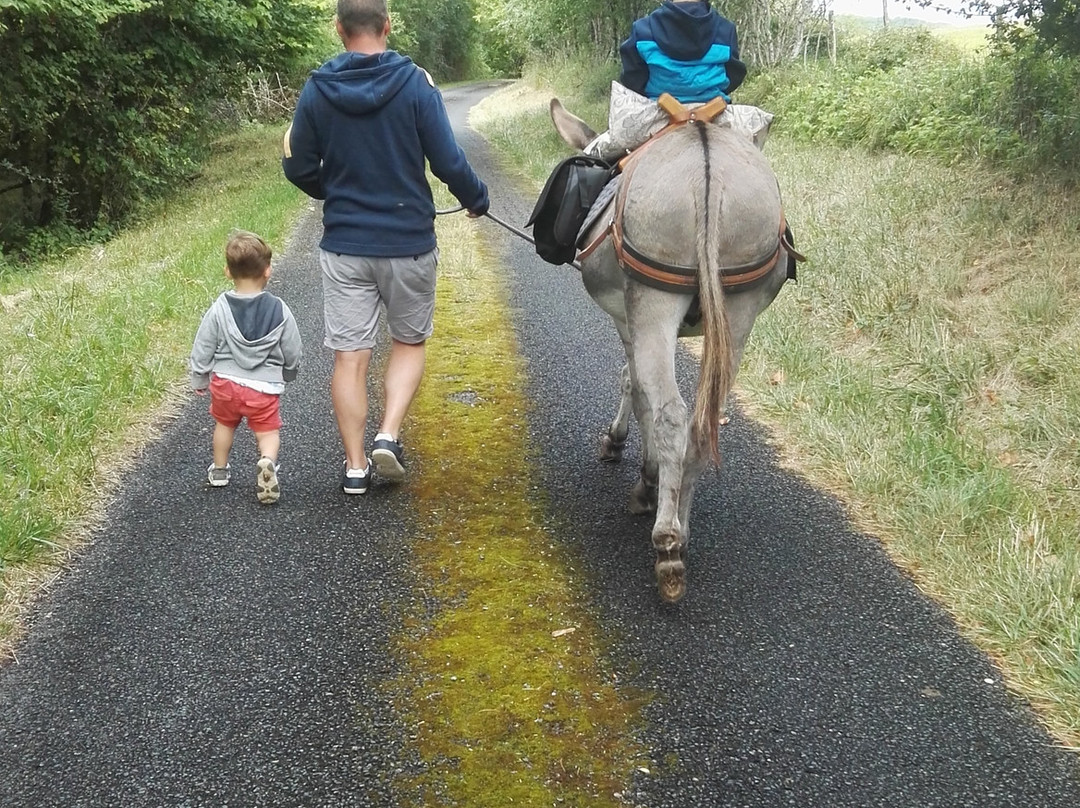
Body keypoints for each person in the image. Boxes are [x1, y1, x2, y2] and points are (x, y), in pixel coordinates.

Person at [282, 0, 489, 495]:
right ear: (387, 25)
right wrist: (476, 199)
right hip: (408, 244)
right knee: (408, 341)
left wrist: (333, 189)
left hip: (345, 245)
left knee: (349, 357)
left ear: (339, 29)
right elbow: (447, 159)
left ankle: (354, 467)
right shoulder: (416, 83)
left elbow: (296, 165)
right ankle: (388, 435)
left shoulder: (317, 89)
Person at [190, 231, 303, 505]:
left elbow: (204, 344)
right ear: (268, 271)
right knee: (267, 431)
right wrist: (290, 371)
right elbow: (292, 347)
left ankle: (219, 470)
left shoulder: (219, 307)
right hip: (263, 388)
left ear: (227, 272)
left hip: (225, 383)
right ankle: (267, 462)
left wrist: (200, 377)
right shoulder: (279, 309)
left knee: (224, 425)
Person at [584, 1, 768, 160]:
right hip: (715, 114)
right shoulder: (725, 29)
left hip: (658, 115)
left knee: (596, 156)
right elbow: (734, 75)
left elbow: (633, 78)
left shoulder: (642, 29)